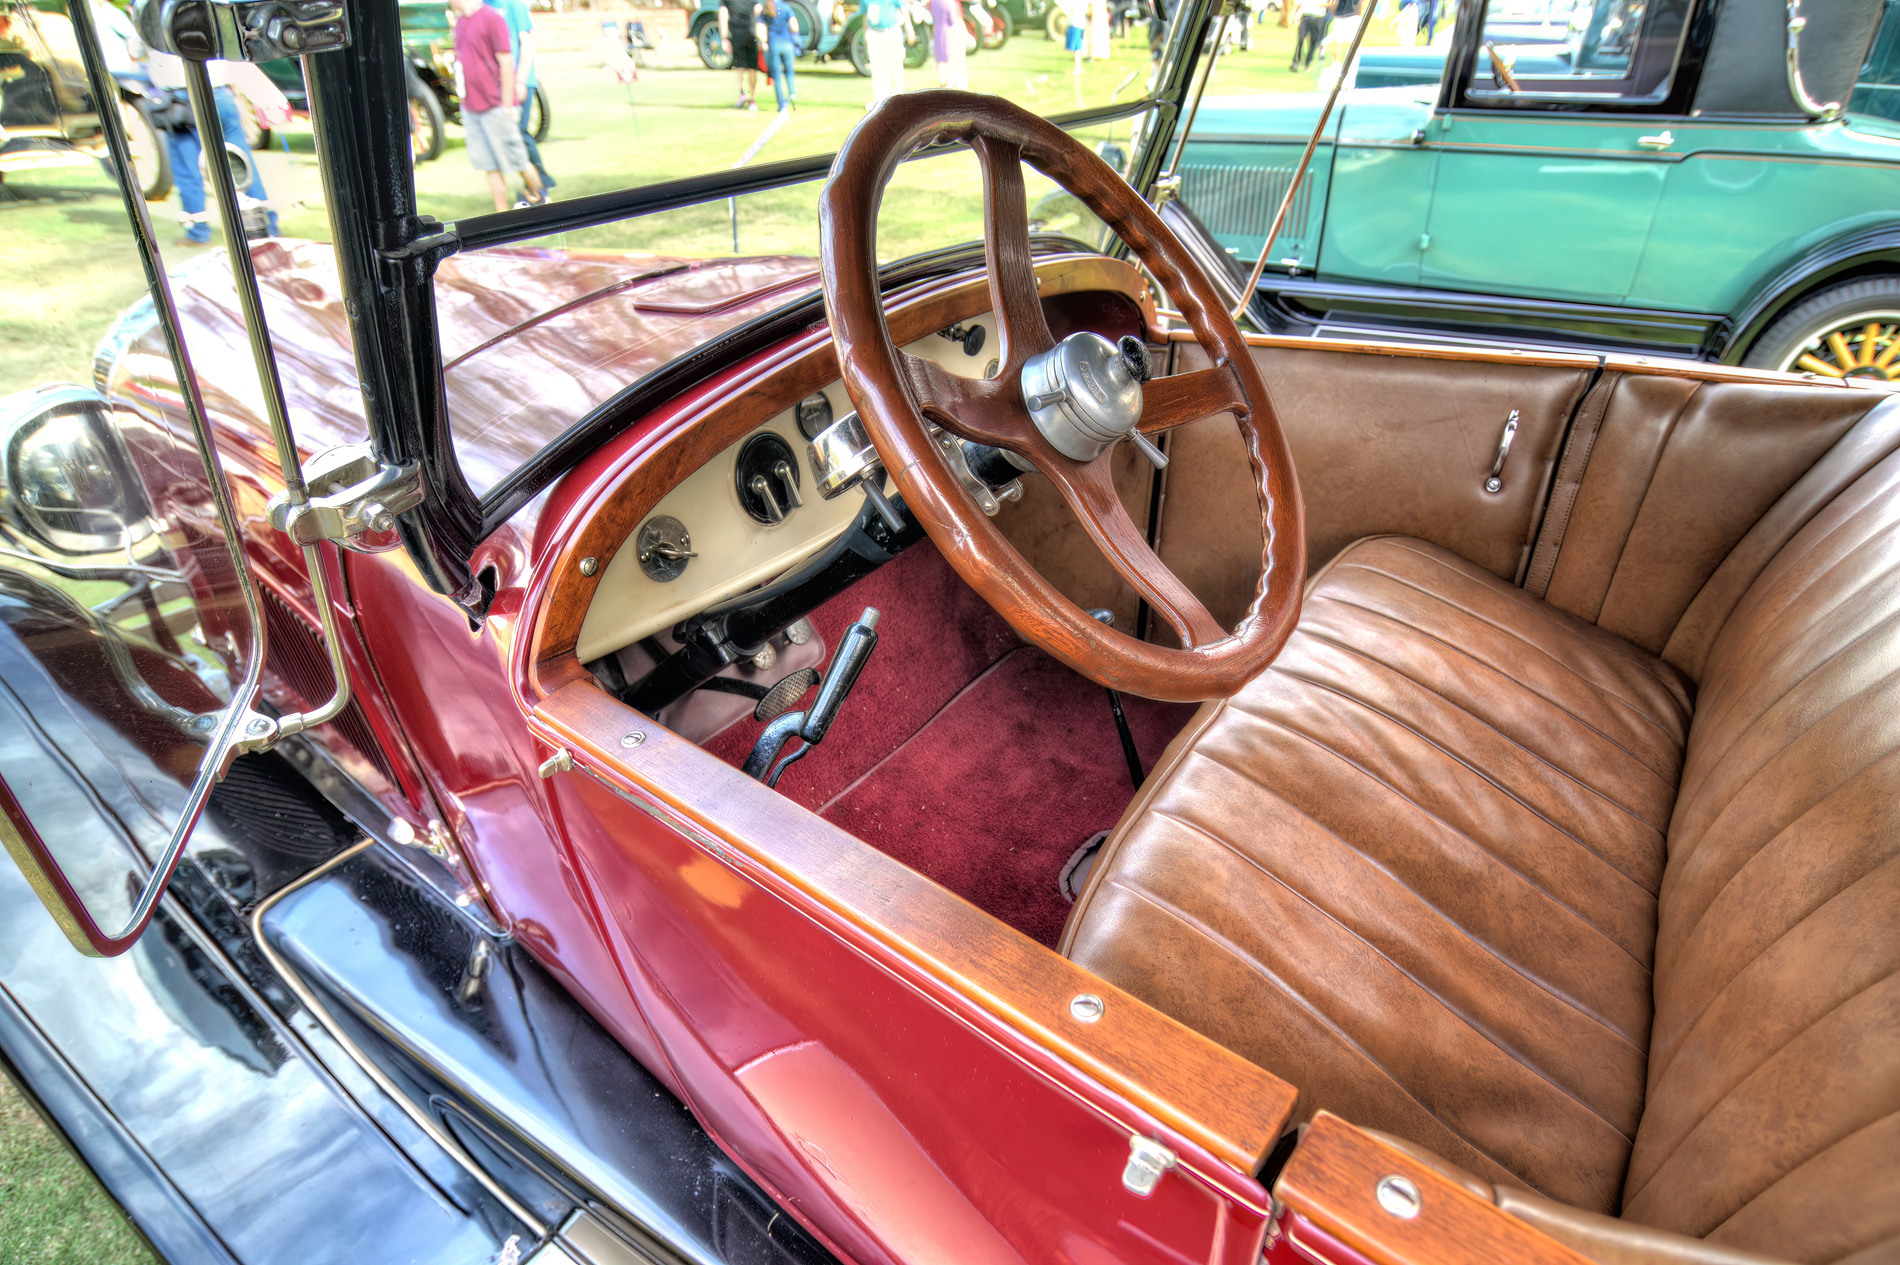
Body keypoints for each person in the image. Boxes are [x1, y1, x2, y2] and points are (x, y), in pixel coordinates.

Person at [146, 52, 285, 246]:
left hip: (183, 99)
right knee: (243, 166)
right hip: (221, 94)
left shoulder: (154, 23)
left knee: (189, 170)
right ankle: (267, 227)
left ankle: (197, 232)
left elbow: (134, 52)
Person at [449, 0, 545, 211]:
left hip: (496, 105)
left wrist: (507, 103)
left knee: (518, 160)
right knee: (488, 165)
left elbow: (505, 61)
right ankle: (501, 213)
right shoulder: (461, 22)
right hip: (472, 106)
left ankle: (543, 201)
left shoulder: (491, 17)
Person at [485, 0, 555, 197]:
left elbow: (526, 43)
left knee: (518, 134)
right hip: (497, 85)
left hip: (518, 81)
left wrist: (520, 81)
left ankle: (541, 185)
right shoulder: (481, 5)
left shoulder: (513, 4)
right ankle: (536, 185)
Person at [862, 0, 912, 107]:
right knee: (877, 68)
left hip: (891, 31)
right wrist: (865, 34)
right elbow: (865, 16)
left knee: (895, 67)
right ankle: (880, 102)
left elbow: (902, 7)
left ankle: (898, 99)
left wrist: (909, 28)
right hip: (874, 33)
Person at [719, 0, 762, 110]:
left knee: (739, 66)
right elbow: (758, 11)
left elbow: (723, 15)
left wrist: (724, 38)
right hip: (751, 32)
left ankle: (742, 93)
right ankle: (752, 99)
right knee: (752, 68)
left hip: (736, 34)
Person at [762, 0, 801, 111]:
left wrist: (764, 42)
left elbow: (761, 27)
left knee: (776, 75)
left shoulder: (766, 8)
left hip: (773, 44)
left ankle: (781, 103)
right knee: (789, 71)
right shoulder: (786, 7)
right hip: (787, 44)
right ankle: (792, 92)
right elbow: (794, 27)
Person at [929, 0, 968, 89]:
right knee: (956, 63)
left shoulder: (933, 2)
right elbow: (955, 19)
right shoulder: (950, 3)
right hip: (951, 33)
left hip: (938, 33)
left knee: (942, 63)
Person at [1290, 0, 1329, 68]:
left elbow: (1330, 4)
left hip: (1318, 17)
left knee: (1314, 41)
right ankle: (1296, 61)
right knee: (1301, 39)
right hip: (1305, 16)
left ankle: (1307, 62)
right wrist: (1294, 16)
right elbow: (1297, 4)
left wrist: (1321, 4)